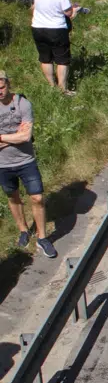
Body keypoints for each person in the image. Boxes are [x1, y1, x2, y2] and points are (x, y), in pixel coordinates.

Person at [0, 72, 55, 259]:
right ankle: (23, 230)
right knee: (13, 196)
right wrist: (16, 137)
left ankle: (42, 237)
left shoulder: (22, 104)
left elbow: (25, 136)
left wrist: (2, 138)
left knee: (38, 198)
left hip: (26, 161)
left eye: (1, 87)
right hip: (3, 164)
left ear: (8, 84)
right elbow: (22, 136)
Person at [31, 0, 81, 96]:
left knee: (45, 58)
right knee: (62, 59)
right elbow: (68, 13)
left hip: (37, 28)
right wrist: (74, 10)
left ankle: (51, 85)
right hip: (56, 29)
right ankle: (62, 88)